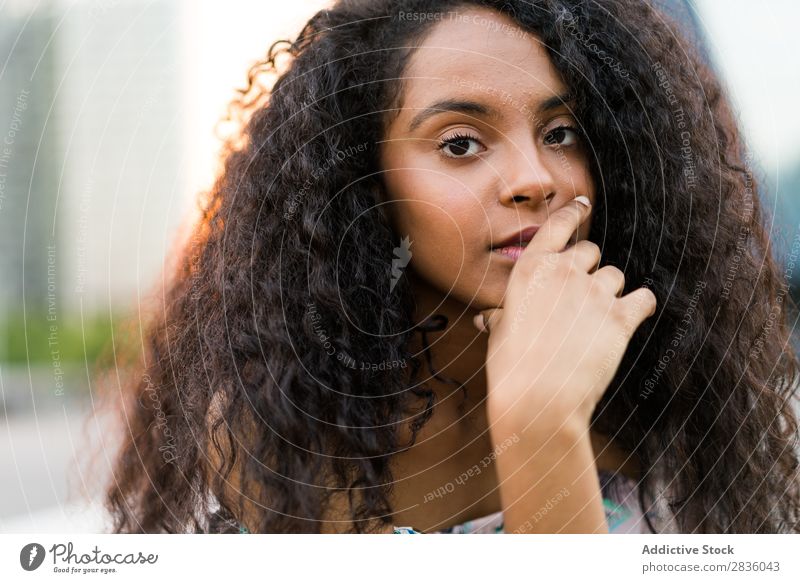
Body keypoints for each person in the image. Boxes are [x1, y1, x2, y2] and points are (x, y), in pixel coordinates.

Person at [104, 0, 800, 534]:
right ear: (366, 178)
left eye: (560, 132)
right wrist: (540, 420)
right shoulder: (283, 433)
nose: (533, 178)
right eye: (461, 143)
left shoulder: (670, 373)